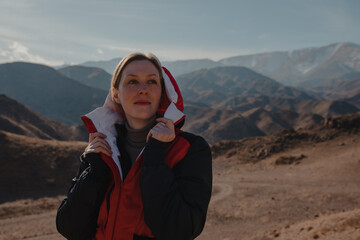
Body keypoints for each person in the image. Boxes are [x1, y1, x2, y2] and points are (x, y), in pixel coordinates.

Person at [56, 53, 212, 240]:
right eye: (132, 82)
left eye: (152, 82)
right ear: (116, 95)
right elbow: (69, 228)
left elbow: (180, 231)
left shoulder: (190, 149)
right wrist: (95, 173)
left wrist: (155, 159)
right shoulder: (100, 150)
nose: (143, 89)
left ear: (162, 92)